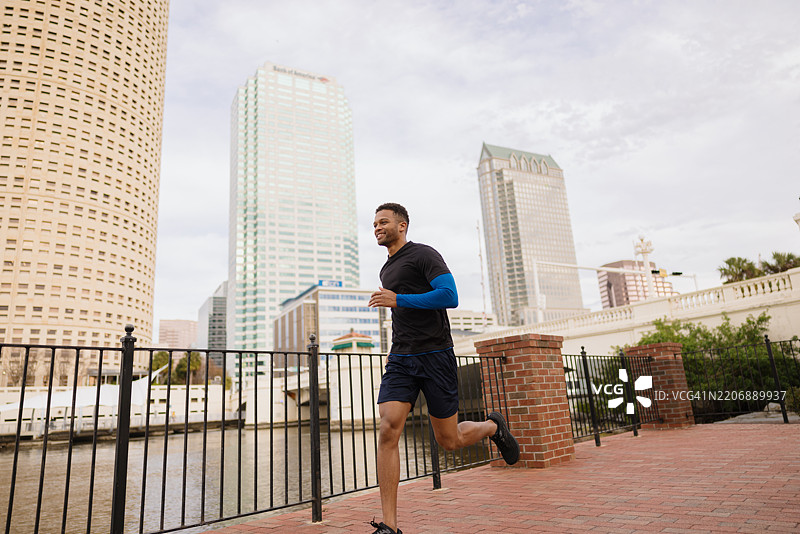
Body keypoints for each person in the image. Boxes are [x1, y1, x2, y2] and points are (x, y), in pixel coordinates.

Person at [367, 203, 519, 534]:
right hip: (401, 358)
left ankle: (493, 428)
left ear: (402, 225)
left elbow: (450, 295)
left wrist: (399, 300)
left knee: (449, 440)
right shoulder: (386, 269)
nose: (376, 227)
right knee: (388, 428)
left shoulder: (424, 255)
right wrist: (396, 305)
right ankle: (389, 527)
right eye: (374, 223)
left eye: (383, 222)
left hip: (436, 355)